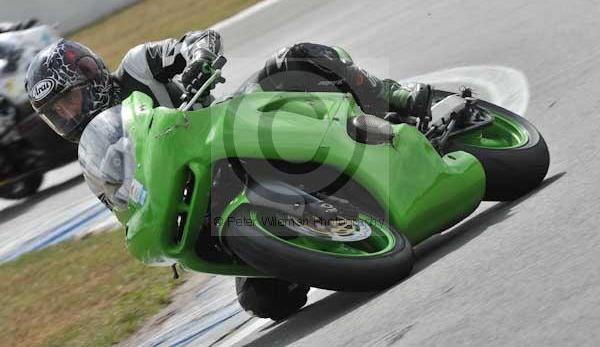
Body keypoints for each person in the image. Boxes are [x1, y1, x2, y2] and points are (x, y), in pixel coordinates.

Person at [25, 33, 431, 319]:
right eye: (55, 114)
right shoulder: (94, 157)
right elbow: (128, 213)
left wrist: (198, 59)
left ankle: (394, 98)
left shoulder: (137, 68)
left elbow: (197, 40)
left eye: (69, 99)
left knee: (294, 57)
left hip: (230, 134)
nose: (68, 115)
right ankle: (331, 225)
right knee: (265, 301)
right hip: (208, 207)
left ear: (90, 76)